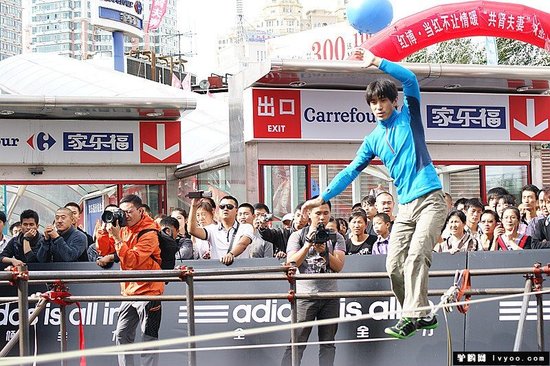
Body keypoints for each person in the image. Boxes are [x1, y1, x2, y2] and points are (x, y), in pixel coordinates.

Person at [300, 49, 447, 339]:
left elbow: (410, 78)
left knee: (417, 255)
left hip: (431, 199)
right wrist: (323, 196)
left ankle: (411, 317)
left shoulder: (410, 117)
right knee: (393, 265)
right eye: (373, 102)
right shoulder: (373, 139)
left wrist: (376, 61)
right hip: (404, 207)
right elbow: (351, 171)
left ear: (395, 101)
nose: (378, 106)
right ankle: (420, 315)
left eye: (383, 100)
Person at [281, 198, 345, 366]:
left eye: (326, 213)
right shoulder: (297, 235)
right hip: (304, 297)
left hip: (330, 297)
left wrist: (324, 252)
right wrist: (308, 244)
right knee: (296, 343)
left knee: (328, 344)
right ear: (309, 214)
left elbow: (338, 266)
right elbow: (292, 263)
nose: (322, 217)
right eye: (318, 213)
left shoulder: (336, 237)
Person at [107, 194, 164, 366]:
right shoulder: (123, 228)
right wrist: (106, 230)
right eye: (122, 212)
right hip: (129, 291)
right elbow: (104, 249)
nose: (125, 216)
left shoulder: (150, 232)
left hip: (149, 292)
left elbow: (133, 261)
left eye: (129, 212)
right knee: (121, 335)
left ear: (140, 211)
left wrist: (117, 238)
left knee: (149, 338)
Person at [188, 195, 254, 265]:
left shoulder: (246, 227)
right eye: (222, 207)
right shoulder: (212, 229)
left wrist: (231, 254)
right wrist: (194, 206)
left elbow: (243, 244)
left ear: (236, 211)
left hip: (240, 271)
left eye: (229, 207)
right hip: (218, 271)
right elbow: (192, 231)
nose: (225, 209)